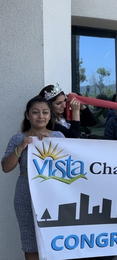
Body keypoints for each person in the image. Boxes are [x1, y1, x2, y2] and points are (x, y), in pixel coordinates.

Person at [2, 96, 65, 260]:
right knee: (30, 240)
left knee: (55, 237)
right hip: (25, 191)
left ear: (50, 116)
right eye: (35, 112)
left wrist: (54, 145)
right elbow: (6, 167)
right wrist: (22, 146)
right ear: (27, 115)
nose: (40, 116)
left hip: (53, 192)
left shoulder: (58, 136)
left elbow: (68, 167)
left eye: (45, 112)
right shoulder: (17, 139)